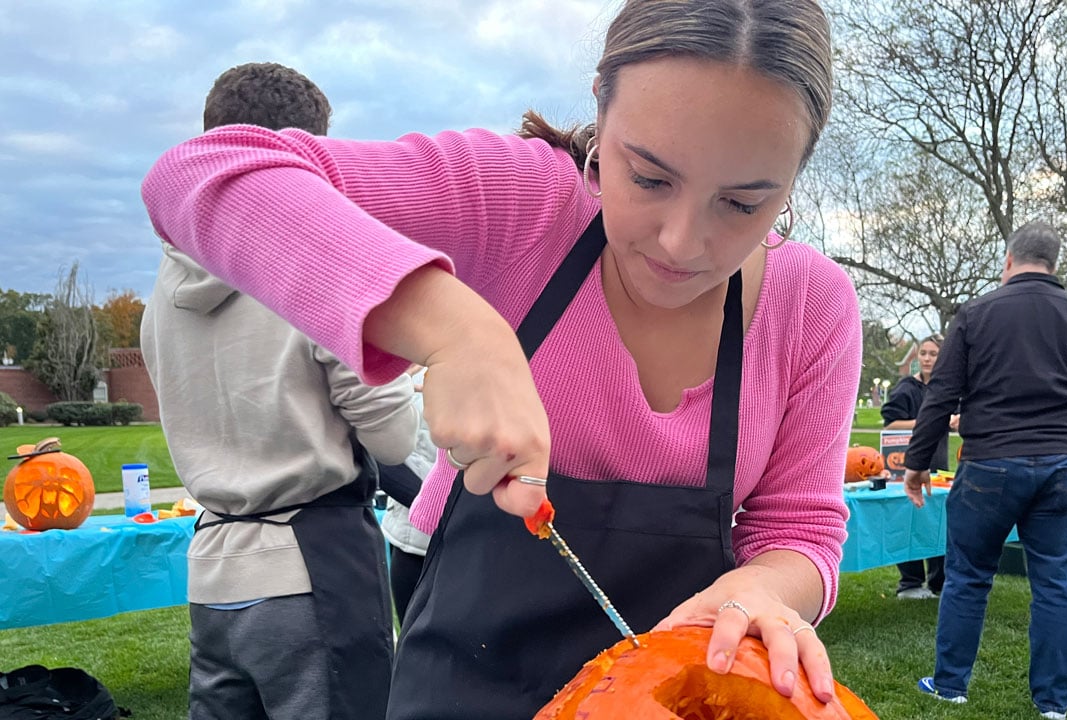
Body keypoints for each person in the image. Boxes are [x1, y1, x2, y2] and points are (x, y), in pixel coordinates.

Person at [140, 3, 861, 718]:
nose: (681, 242)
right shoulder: (522, 202)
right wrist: (454, 329)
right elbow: (205, 172)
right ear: (601, 119)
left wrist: (765, 588)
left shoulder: (813, 305)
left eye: (740, 203)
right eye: (647, 178)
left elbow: (800, 530)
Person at [139, 62, 419, 720]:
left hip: (212, 574)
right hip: (312, 569)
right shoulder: (312, 261)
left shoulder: (162, 291)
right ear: (303, 152)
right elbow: (395, 436)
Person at [900, 222, 1067, 719]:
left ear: (1008, 260)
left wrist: (916, 463)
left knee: (968, 576)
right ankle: (1053, 703)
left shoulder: (976, 314)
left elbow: (942, 394)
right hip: (1063, 466)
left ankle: (950, 684)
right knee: (1057, 584)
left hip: (989, 465)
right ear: (1054, 263)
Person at [881, 334, 956, 599]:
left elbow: (954, 417)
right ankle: (910, 583)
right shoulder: (906, 388)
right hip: (907, 467)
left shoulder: (946, 388)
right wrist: (929, 421)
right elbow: (890, 424)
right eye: (923, 353)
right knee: (910, 521)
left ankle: (939, 583)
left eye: (933, 354)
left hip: (939, 468)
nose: (926, 358)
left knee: (937, 524)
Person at [377, 366, 436, 622]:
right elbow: (382, 458)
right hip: (412, 541)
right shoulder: (405, 371)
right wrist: (439, 514)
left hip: (473, 543)